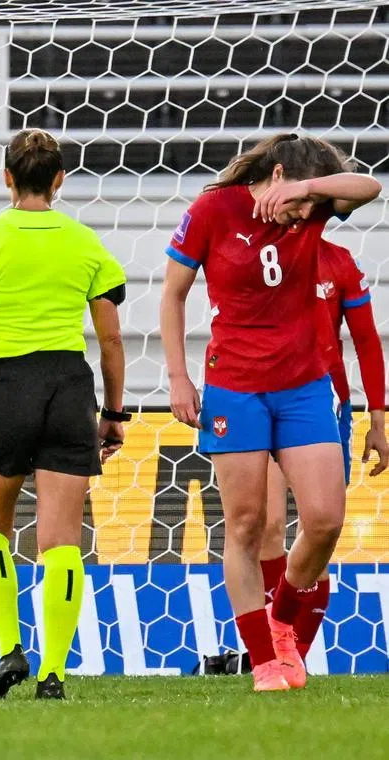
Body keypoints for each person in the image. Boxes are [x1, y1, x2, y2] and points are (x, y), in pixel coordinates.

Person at [160, 134, 381, 691]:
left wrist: (309, 191)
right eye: (299, 200)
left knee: (325, 519)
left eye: (312, 207)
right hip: (234, 387)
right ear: (275, 174)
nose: (305, 216)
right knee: (246, 524)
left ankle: (282, 619)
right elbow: (173, 294)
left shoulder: (313, 206)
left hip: (304, 386)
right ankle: (263, 659)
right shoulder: (213, 209)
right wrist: (178, 376)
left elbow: (369, 187)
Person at [0, 128, 127, 701]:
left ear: (7, 179)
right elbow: (111, 340)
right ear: (60, 179)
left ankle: (9, 649)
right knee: (62, 541)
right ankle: (54, 674)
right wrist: (114, 411)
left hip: (6, 387)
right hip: (68, 386)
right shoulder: (86, 242)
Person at [260, 237, 388, 658]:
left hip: (324, 403)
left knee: (317, 532)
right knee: (267, 526)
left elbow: (366, 340)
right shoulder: (259, 254)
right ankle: (270, 652)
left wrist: (377, 419)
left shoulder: (338, 261)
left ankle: (294, 654)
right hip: (262, 396)